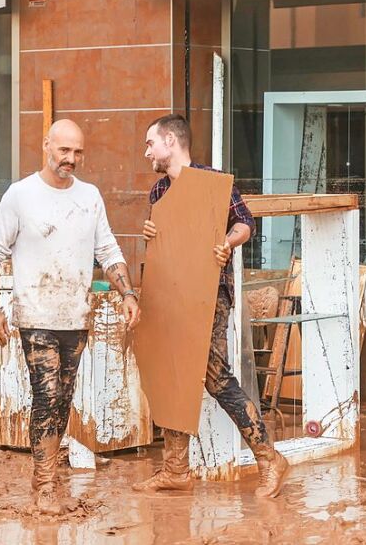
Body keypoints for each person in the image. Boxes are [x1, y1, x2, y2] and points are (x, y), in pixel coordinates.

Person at [0, 119, 141, 514]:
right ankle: (45, 483)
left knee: (63, 399)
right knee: (46, 396)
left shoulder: (90, 196)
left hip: (76, 316)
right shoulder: (21, 195)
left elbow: (109, 250)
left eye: (78, 152)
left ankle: (49, 474)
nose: (71, 159)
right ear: (46, 146)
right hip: (35, 315)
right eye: (64, 150)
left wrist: (128, 293)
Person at [132, 113, 290, 499]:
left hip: (207, 293)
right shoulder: (157, 192)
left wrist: (228, 242)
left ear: (171, 141)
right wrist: (151, 231)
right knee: (172, 371)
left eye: (151, 142)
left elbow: (245, 223)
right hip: (169, 294)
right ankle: (175, 468)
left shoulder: (212, 183)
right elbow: (165, 243)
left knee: (215, 376)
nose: (147, 150)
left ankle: (269, 458)